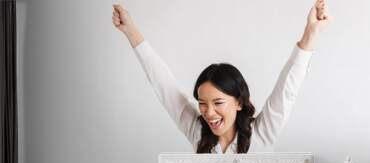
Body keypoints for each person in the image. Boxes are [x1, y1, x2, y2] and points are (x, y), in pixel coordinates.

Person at [112, 1, 331, 154]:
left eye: (217, 103)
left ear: (238, 102)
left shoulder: (262, 134)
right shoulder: (197, 131)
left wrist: (311, 33)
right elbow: (163, 85)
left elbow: (288, 88)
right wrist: (131, 31)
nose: (208, 112)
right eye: (202, 104)